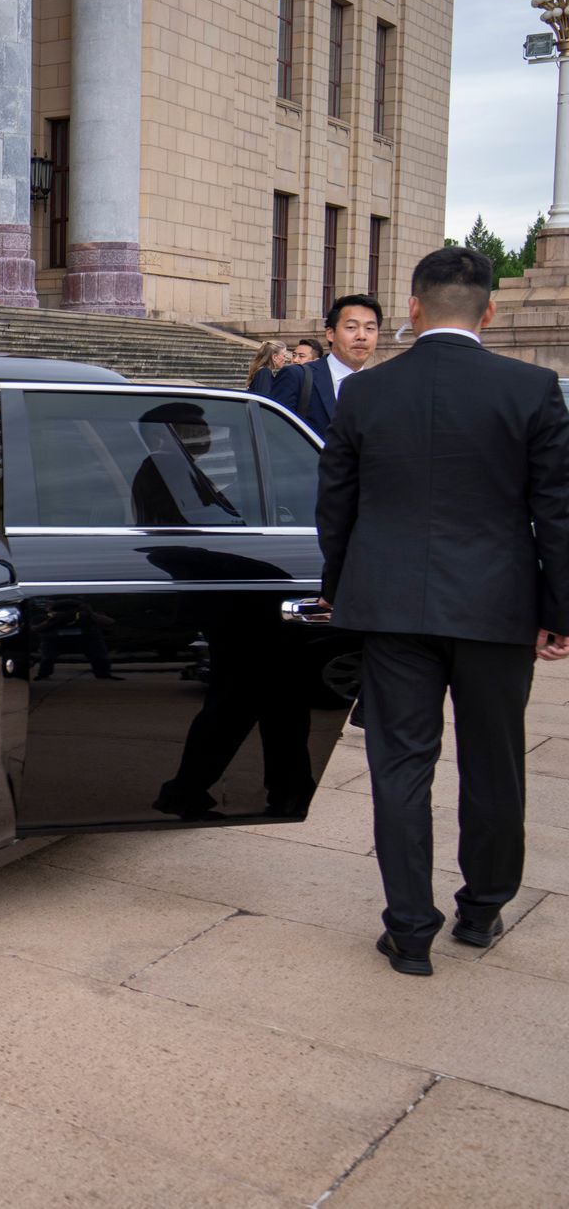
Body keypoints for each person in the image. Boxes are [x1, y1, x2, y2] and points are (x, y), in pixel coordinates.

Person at [317, 246, 569, 976]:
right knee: (495, 763)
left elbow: (336, 506)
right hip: (497, 605)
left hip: (393, 606)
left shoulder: (365, 392)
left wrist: (340, 587)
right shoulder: (532, 388)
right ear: (487, 311)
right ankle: (483, 909)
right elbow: (555, 510)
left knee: (400, 766)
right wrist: (558, 609)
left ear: (414, 309)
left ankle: (410, 928)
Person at [270, 294, 382, 439]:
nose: (362, 336)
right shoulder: (297, 378)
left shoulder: (382, 388)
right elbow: (273, 438)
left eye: (370, 328)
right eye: (351, 327)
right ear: (330, 334)